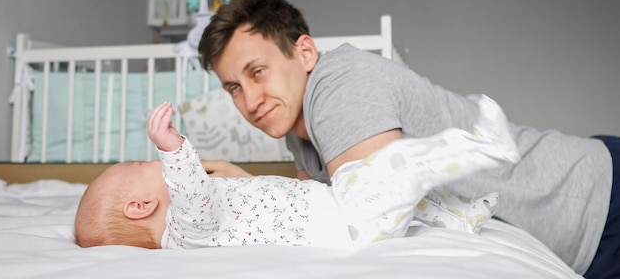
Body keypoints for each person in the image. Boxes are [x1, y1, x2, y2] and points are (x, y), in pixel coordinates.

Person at [197, 0, 619, 278]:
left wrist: (252, 190)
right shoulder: (297, 130)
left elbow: (369, 218)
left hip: (594, 200)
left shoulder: (338, 83)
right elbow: (321, 212)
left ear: (304, 52)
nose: (249, 101)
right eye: (234, 87)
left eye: (258, 72)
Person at [74, 97, 520, 249]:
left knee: (403, 191)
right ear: (140, 206)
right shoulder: (185, 230)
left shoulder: (204, 221)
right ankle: (483, 145)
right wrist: (173, 149)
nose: (145, 161)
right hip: (347, 225)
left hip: (337, 207)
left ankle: (462, 218)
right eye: (136, 166)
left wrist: (234, 176)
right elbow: (195, 198)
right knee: (394, 168)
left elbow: (254, 208)